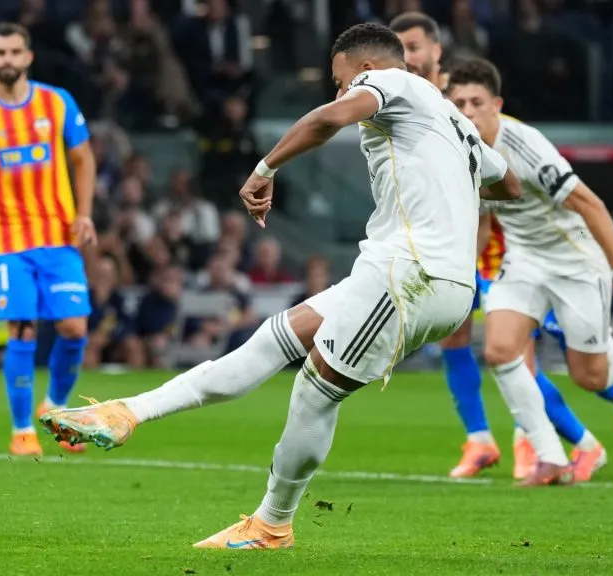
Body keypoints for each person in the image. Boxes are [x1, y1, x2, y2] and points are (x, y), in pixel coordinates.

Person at [41, 23, 520, 549]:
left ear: (364, 70)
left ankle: (272, 523)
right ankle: (129, 412)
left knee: (315, 389)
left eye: (341, 80)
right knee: (276, 337)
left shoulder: (394, 84)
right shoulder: (454, 119)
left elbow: (328, 119)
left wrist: (265, 168)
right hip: (423, 276)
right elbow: (509, 183)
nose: (341, 91)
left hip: (409, 273)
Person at [389, 11, 613, 481]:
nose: (406, 58)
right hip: (452, 237)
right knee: (462, 337)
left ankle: (604, 416)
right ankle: (481, 439)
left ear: (436, 51)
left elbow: (500, 162)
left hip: (506, 242)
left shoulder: (460, 95)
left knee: (545, 346)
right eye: (399, 49)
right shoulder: (404, 98)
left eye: (413, 47)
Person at [446, 57, 613, 485]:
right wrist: (458, 272)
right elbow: (485, 224)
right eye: (459, 103)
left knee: (589, 375)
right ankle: (549, 456)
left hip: (576, 263)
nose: (467, 111)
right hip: (523, 259)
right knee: (499, 351)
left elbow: (589, 204)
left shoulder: (525, 145)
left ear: (496, 104)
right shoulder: (461, 150)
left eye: (476, 102)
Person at [0, 22, 97, 457]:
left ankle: (57, 410)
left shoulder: (57, 102)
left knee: (74, 328)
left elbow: (83, 160)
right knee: (22, 330)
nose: (8, 59)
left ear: (28, 57)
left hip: (59, 236)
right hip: (7, 242)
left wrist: (84, 213)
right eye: (0, 53)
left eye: (15, 52)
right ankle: (22, 428)